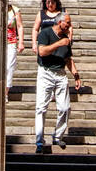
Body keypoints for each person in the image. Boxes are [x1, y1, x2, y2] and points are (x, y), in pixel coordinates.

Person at [34, 11, 81, 154]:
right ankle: (39, 140)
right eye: (68, 22)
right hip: (46, 72)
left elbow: (68, 59)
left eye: (70, 22)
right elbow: (41, 52)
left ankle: (58, 136)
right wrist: (59, 43)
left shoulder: (66, 38)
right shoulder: (46, 33)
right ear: (59, 22)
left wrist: (76, 75)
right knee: (41, 107)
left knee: (65, 107)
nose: (69, 25)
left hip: (60, 73)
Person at [5, 3, 24, 102]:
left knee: (9, 67)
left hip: (11, 42)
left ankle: (5, 93)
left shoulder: (15, 10)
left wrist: (21, 42)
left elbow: (20, 26)